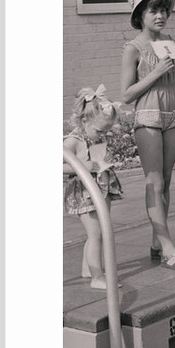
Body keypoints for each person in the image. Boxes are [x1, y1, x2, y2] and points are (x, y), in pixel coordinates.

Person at [121, 0, 175, 271]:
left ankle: (157, 243)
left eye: (164, 9)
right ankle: (168, 248)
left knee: (166, 180)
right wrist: (155, 73)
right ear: (140, 15)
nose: (161, 15)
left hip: (173, 114)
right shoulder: (133, 48)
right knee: (155, 183)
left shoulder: (170, 41)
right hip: (149, 117)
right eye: (154, 10)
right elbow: (126, 95)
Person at [63, 85, 124, 290]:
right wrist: (82, 166)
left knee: (97, 232)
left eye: (106, 130)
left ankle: (87, 269)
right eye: (99, 130)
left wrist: (105, 159)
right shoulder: (74, 139)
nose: (102, 135)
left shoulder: (95, 134)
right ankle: (97, 277)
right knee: (97, 233)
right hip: (85, 192)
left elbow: (98, 152)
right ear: (84, 120)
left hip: (102, 187)